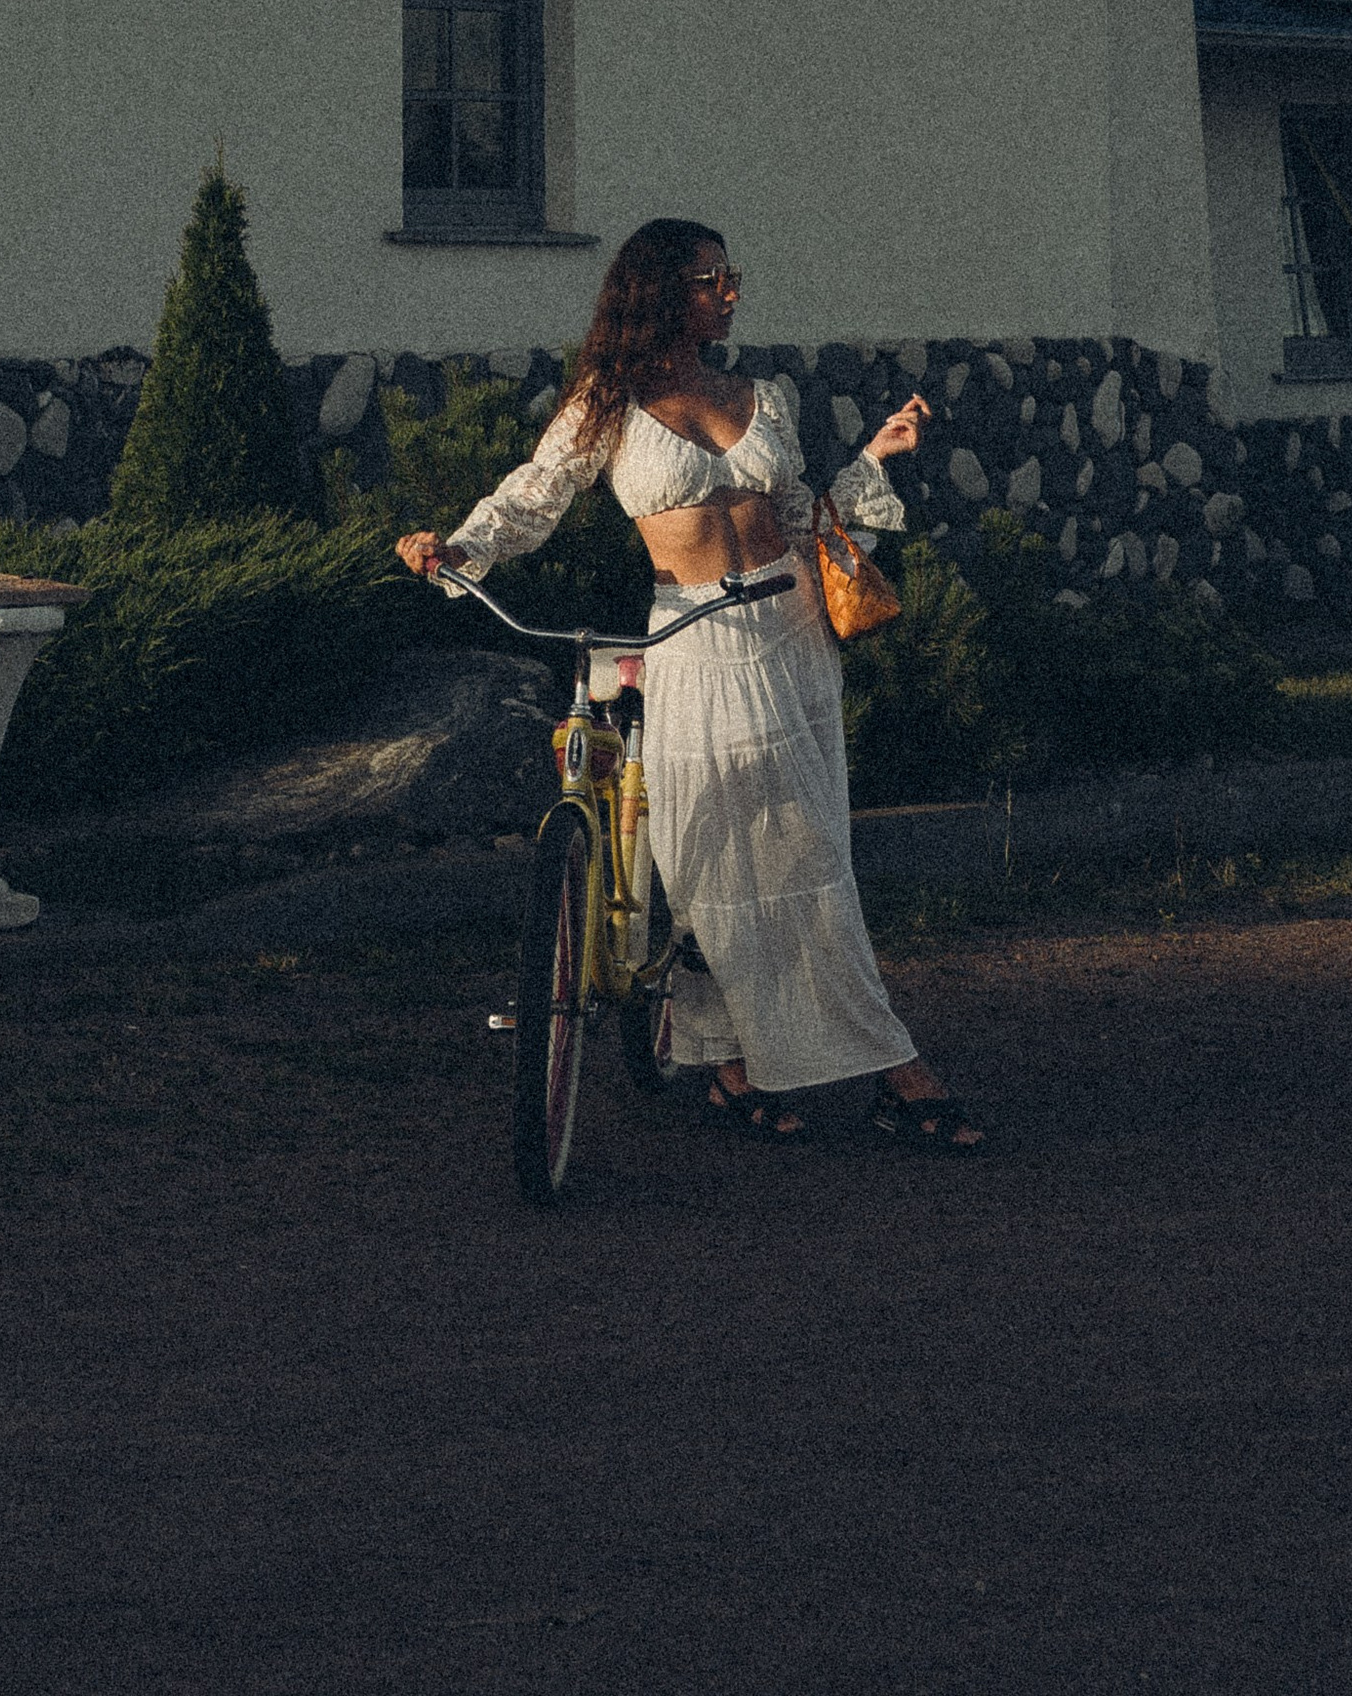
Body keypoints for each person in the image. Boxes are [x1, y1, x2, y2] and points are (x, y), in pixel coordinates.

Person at [397, 216, 985, 1151]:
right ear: (663, 290)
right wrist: (460, 547)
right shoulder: (607, 401)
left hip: (790, 631)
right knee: (715, 860)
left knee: (810, 862)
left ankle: (870, 1066)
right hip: (693, 639)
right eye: (715, 277)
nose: (732, 292)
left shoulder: (763, 394)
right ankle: (764, 1065)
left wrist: (876, 457)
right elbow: (534, 492)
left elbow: (802, 519)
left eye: (731, 276)